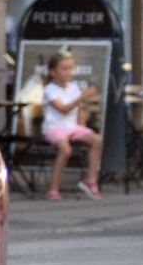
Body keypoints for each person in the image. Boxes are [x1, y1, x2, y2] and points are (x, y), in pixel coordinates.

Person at [38, 50, 103, 200]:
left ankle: (91, 180)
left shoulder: (73, 87)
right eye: (64, 68)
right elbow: (63, 109)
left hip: (71, 127)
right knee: (65, 149)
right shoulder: (50, 90)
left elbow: (78, 111)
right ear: (54, 72)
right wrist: (81, 97)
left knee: (97, 140)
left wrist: (84, 128)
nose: (69, 72)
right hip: (54, 127)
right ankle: (53, 187)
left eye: (70, 68)